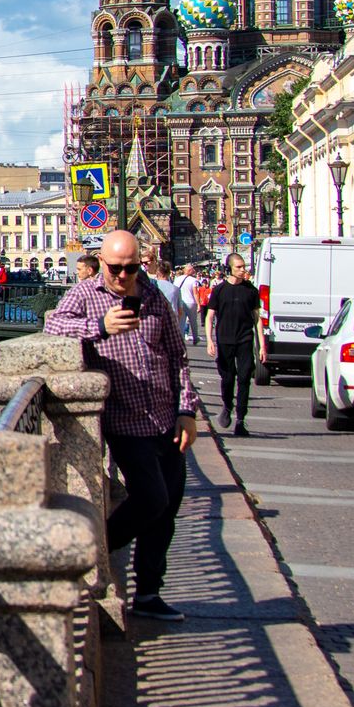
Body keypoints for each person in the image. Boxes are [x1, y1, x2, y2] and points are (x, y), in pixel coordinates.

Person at [44, 230, 201, 623]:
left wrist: (188, 411)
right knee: (152, 499)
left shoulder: (152, 297)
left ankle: (148, 593)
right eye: (116, 268)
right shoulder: (85, 294)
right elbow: (53, 330)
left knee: (167, 509)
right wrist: (100, 326)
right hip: (124, 419)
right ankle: (94, 553)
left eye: (132, 268)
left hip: (165, 417)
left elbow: (176, 356)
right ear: (103, 262)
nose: (123, 276)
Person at [204, 252, 265, 437]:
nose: (242, 269)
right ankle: (227, 406)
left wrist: (262, 345)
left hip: (245, 339)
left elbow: (257, 318)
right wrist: (209, 340)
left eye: (243, 266)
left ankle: (240, 419)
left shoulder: (250, 290)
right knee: (228, 378)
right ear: (229, 268)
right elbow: (210, 316)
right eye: (238, 266)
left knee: (245, 377)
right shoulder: (220, 290)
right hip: (225, 340)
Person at [176, 264, 203, 345]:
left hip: (180, 302)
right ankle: (195, 338)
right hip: (191, 302)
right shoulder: (193, 280)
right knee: (193, 321)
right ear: (190, 271)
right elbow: (195, 293)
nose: (194, 271)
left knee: (181, 321)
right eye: (193, 270)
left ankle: (181, 339)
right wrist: (198, 304)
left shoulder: (177, 279)